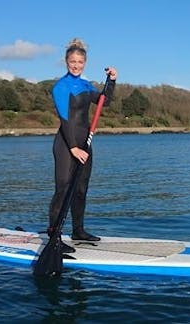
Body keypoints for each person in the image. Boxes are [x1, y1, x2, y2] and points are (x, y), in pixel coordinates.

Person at [47, 38, 117, 252]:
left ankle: (78, 231)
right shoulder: (61, 86)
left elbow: (105, 100)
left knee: (80, 190)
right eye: (72, 61)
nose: (76, 65)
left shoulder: (86, 85)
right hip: (67, 144)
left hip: (85, 143)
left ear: (85, 63)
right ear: (66, 61)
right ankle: (54, 236)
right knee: (63, 189)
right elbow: (65, 120)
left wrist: (112, 81)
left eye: (80, 62)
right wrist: (73, 148)